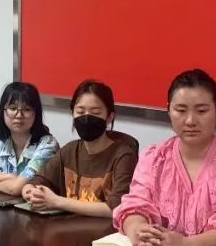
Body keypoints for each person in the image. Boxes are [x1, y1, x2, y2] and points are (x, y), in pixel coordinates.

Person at [113, 69, 216, 246]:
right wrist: (138, 230)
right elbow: (136, 203)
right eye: (180, 110)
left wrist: (189, 245)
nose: (190, 121)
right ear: (168, 110)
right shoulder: (154, 157)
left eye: (202, 111)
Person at [22, 79, 138, 218]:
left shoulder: (124, 155)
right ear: (72, 113)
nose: (87, 117)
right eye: (80, 111)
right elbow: (36, 181)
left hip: (103, 230)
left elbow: (116, 208)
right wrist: (31, 193)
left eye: (95, 112)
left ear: (109, 117)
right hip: (66, 227)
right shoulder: (69, 150)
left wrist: (57, 202)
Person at [0, 82, 59, 195]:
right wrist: (8, 177)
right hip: (4, 204)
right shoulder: (0, 143)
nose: (19, 115)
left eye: (27, 109)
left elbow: (16, 188)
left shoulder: (47, 145)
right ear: (3, 111)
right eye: (13, 108)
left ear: (36, 113)